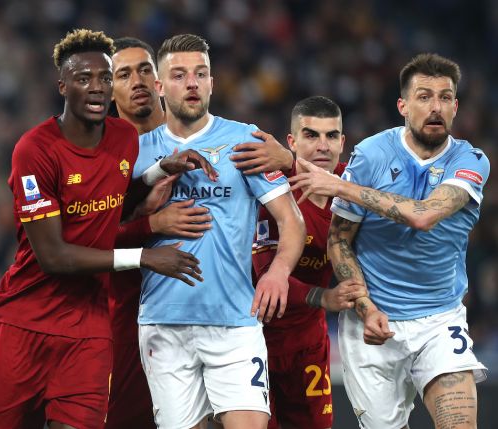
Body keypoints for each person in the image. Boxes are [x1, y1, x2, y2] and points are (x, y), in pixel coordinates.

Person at [0, 29, 215, 429]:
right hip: (24, 324)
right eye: (85, 79)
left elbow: (112, 199)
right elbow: (54, 257)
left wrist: (157, 172)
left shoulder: (121, 138)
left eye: (104, 77)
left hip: (89, 331)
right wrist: (146, 255)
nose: (97, 88)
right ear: (62, 86)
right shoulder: (34, 150)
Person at [291, 53, 489, 429]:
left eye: (445, 98)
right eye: (424, 96)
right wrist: (365, 307)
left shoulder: (472, 160)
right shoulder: (371, 155)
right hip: (371, 325)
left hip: (439, 321)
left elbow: (423, 215)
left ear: (456, 106)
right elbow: (339, 241)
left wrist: (341, 186)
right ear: (403, 105)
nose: (436, 107)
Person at [133, 34, 306, 429]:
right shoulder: (138, 151)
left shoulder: (244, 140)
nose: (192, 83)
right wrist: (153, 219)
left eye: (201, 74)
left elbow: (291, 219)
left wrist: (278, 272)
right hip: (164, 323)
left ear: (212, 83)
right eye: (179, 75)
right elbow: (112, 229)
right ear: (160, 86)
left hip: (234, 322)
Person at [232, 96, 368, 429]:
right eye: (311, 135)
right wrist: (325, 298)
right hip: (252, 337)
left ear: (342, 142)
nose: (323, 145)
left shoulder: (352, 188)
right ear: (292, 141)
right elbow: (266, 274)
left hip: (308, 342)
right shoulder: (271, 187)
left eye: (331, 135)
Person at [107, 36, 212, 429]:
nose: (136, 80)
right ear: (110, 87)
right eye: (123, 73)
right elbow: (88, 242)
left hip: (212, 307)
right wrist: (151, 224)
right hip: (132, 311)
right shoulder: (106, 156)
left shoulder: (206, 139)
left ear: (159, 80)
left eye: (144, 69)